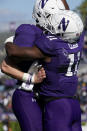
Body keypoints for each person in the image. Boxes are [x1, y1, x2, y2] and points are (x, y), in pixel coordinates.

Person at [2, 0, 84, 131]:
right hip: (29, 94)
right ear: (45, 16)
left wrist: (9, 43)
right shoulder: (30, 32)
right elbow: (5, 65)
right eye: (57, 15)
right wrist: (30, 78)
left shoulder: (57, 38)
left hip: (49, 98)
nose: (61, 18)